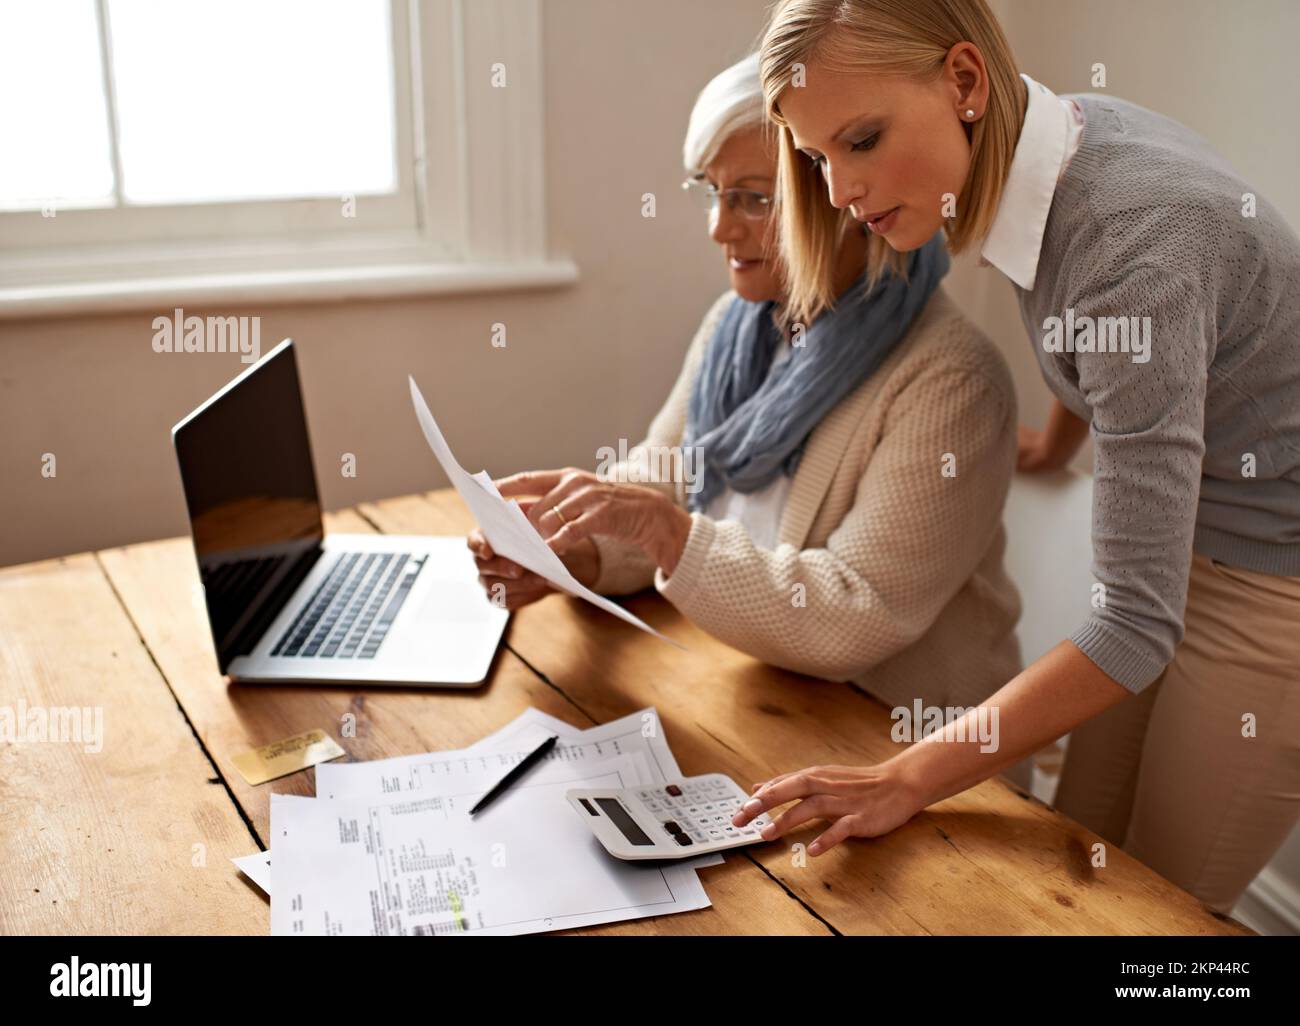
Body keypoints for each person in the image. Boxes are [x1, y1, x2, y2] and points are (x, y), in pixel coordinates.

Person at [740, 0, 1300, 913]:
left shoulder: (1132, 242)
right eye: (816, 158)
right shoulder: (1042, 151)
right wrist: (1063, 433)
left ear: (964, 80)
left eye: (863, 139)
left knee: (1150, 921)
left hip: (1277, 578)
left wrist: (906, 776)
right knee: (1082, 867)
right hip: (1192, 538)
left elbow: (1132, 628)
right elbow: (1106, 333)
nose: (839, 192)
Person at [469, 53, 1022, 716]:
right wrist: (572, 551)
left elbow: (854, 612)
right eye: (711, 191)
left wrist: (668, 533)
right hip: (756, 693)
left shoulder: (952, 381)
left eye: (753, 198)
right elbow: (669, 479)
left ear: (844, 192)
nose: (718, 228)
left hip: (900, 746)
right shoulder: (741, 322)